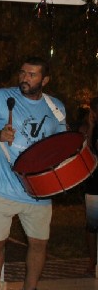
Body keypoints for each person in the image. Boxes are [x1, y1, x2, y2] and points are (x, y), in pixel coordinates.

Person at [0, 56, 67, 290]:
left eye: (32, 75)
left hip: (39, 190)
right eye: (23, 73)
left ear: (45, 80)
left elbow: (62, 144)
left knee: (39, 243)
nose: (25, 78)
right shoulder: (2, 97)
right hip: (2, 186)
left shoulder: (56, 107)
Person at [81, 97, 98, 276]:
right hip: (94, 184)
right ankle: (93, 261)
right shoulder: (88, 128)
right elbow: (86, 150)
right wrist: (91, 127)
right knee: (92, 226)